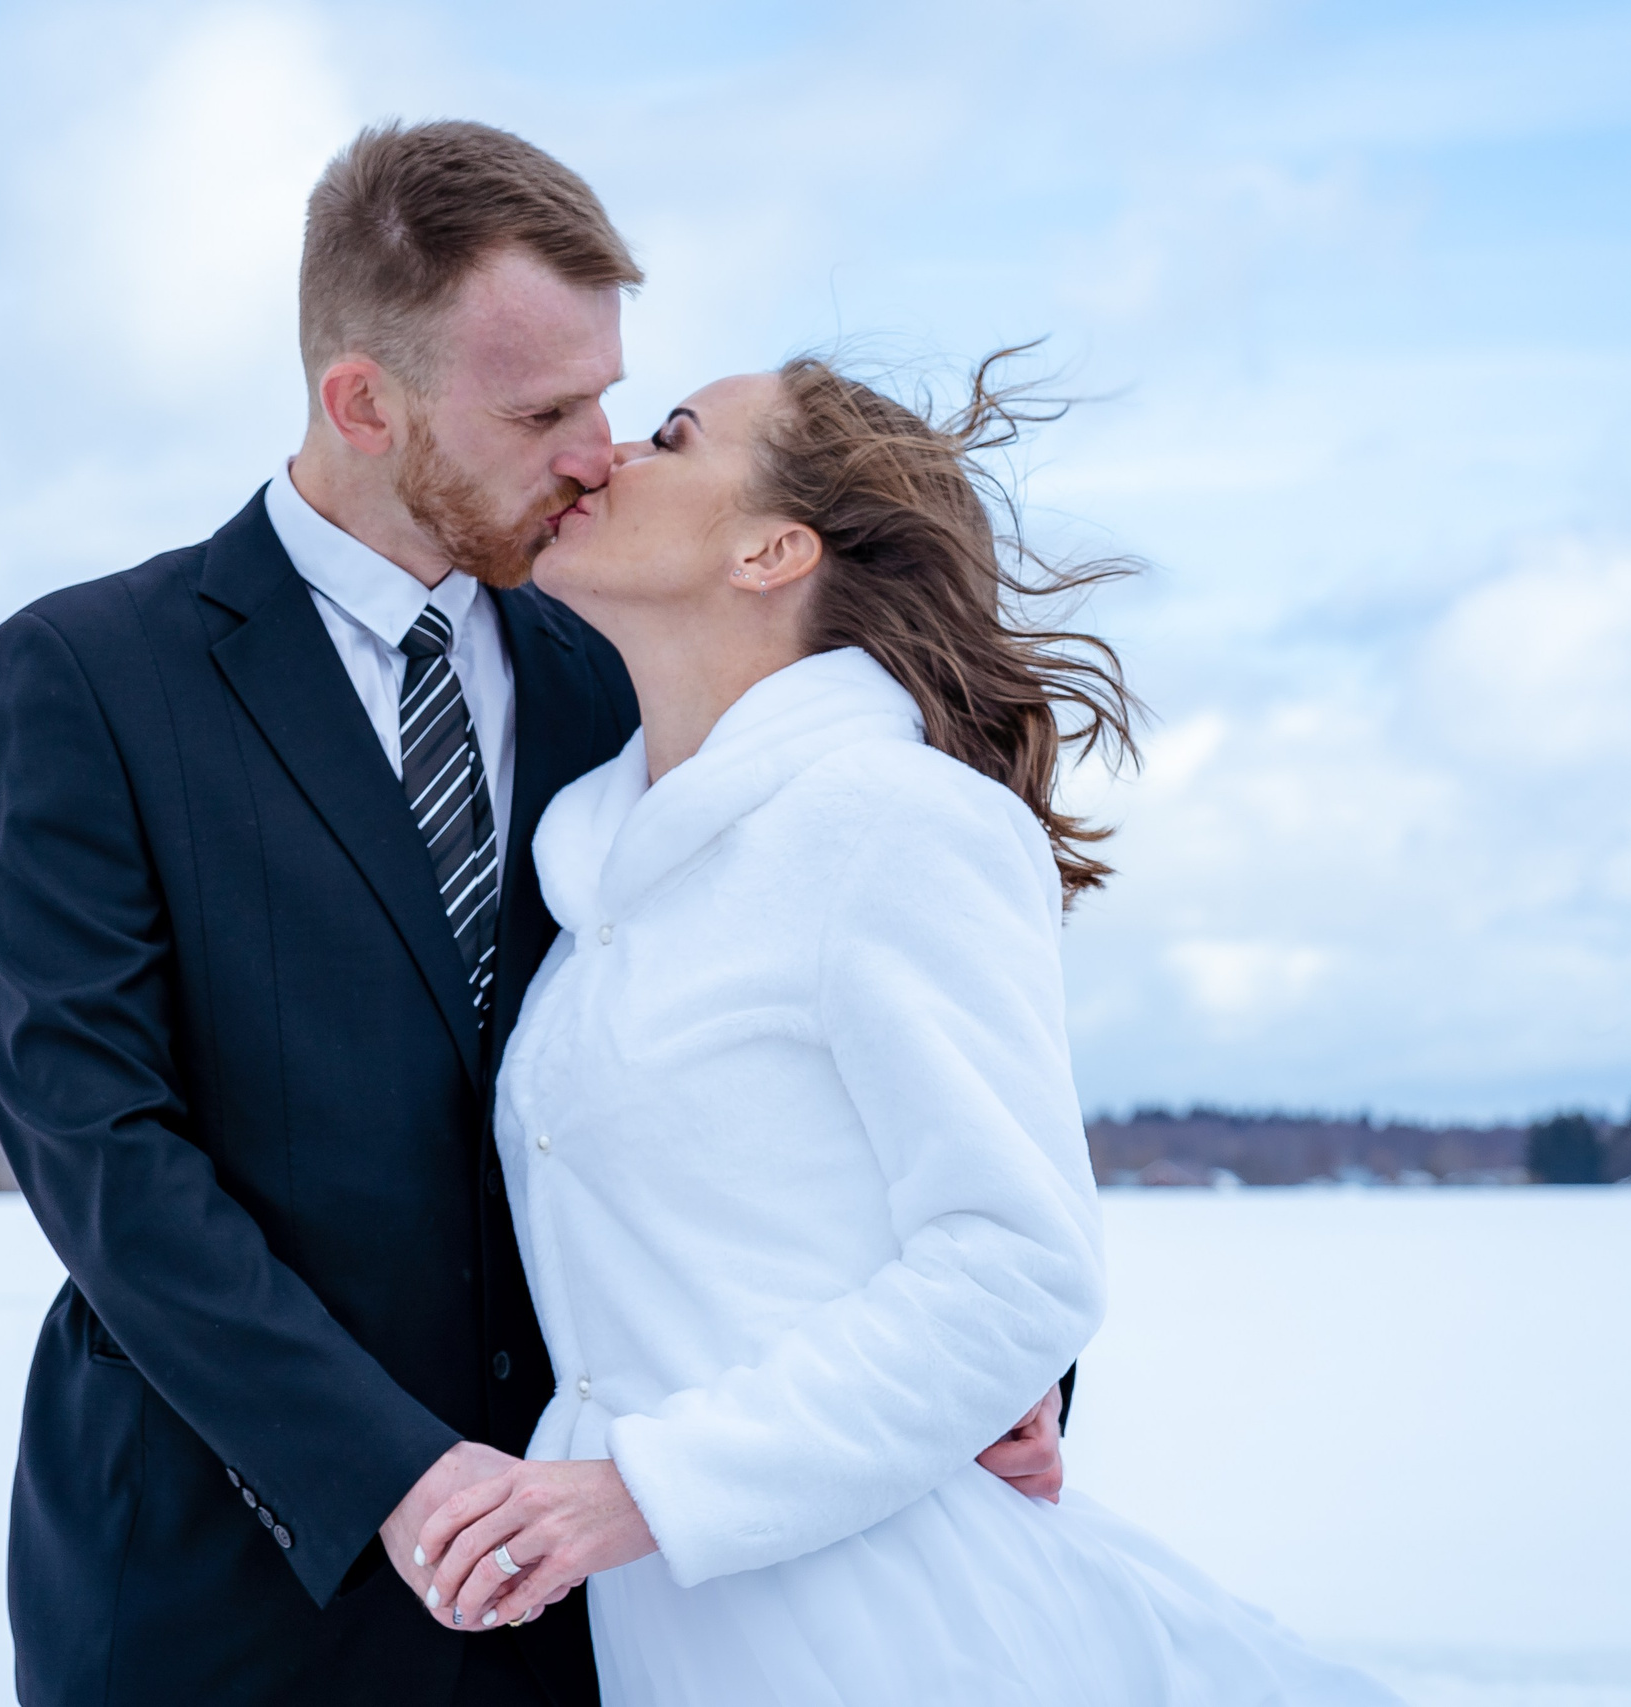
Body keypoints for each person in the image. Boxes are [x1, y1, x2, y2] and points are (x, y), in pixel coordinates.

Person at [0, 121, 1067, 1706]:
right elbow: (98, 1149)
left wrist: (1012, 1380)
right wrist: (393, 1475)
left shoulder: (619, 669)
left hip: (604, 1593)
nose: (596, 449)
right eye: (544, 410)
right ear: (363, 402)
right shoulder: (91, 679)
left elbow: (849, 1047)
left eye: (613, 395)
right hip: (224, 1579)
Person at [412, 360, 1402, 1704]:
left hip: (897, 1632)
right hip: (682, 1646)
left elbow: (1016, 1264)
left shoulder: (893, 823)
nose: (607, 455)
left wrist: (640, 1491)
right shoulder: (602, 874)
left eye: (674, 436)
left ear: (772, 548)